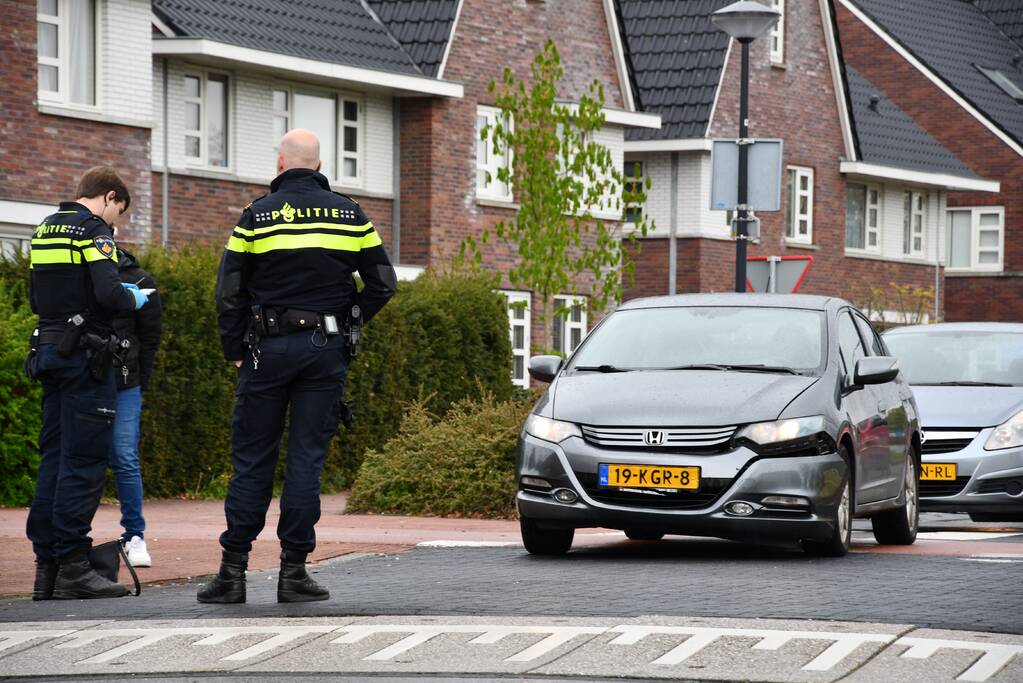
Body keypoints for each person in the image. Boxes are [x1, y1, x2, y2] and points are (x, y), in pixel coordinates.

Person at [199, 129, 397, 604]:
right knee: (306, 459)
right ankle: (293, 573)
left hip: (265, 349)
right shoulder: (351, 214)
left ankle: (233, 573)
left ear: (282, 161)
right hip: (324, 350)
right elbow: (383, 283)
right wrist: (347, 320)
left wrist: (234, 348)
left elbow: (229, 290)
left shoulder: (256, 215)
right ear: (320, 162)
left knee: (252, 460)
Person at [26, 166, 149, 600]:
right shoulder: (92, 230)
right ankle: (75, 567)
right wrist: (134, 296)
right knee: (85, 462)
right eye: (120, 211)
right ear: (110, 196)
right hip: (86, 358)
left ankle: (48, 568)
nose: (117, 222)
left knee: (55, 458)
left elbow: (36, 298)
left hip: (49, 350)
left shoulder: (45, 229)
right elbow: (109, 293)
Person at [110, 246, 163, 567]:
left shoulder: (140, 279)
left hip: (125, 382)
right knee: (80, 458)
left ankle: (134, 535)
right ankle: (73, 540)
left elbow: (150, 337)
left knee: (124, 457)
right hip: (90, 381)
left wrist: (140, 382)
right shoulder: (81, 275)